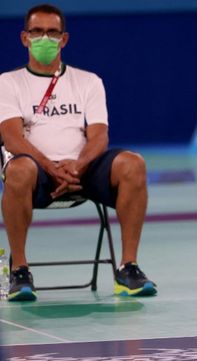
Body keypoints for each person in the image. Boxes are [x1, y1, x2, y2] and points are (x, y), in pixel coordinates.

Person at [0, 4, 156, 301]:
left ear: (64, 39)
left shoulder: (88, 81)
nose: (44, 38)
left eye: (52, 32)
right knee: (19, 170)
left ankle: (128, 269)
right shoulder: (8, 83)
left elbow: (99, 136)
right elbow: (10, 137)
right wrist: (49, 166)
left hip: (82, 171)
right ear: (24, 37)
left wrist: (78, 166)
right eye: (37, 32)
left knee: (133, 164)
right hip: (36, 174)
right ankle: (19, 270)